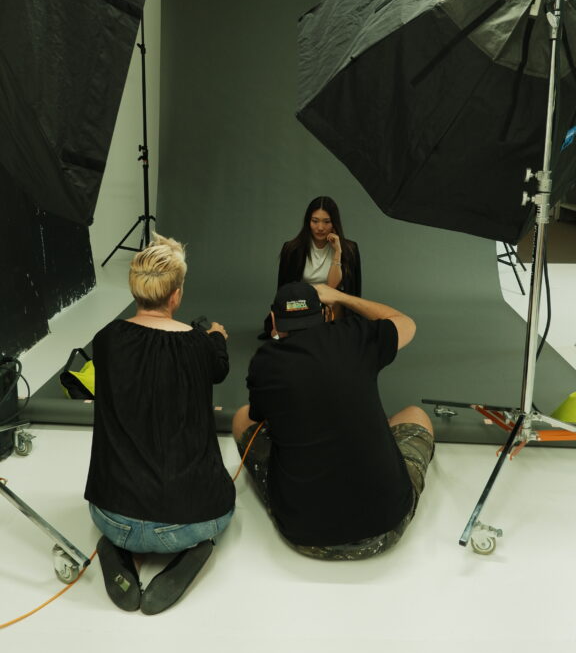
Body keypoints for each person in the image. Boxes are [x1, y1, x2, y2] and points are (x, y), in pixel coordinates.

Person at [84, 233, 235, 614]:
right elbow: (218, 368)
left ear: (136, 289)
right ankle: (190, 554)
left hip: (110, 516)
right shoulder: (200, 346)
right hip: (192, 522)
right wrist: (216, 338)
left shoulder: (105, 340)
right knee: (224, 506)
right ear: (176, 296)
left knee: (125, 524)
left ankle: (120, 550)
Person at [233, 281, 433, 560]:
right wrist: (341, 297)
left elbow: (260, 418)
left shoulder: (264, 362)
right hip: (386, 529)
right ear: (325, 314)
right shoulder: (355, 336)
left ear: (275, 321)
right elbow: (405, 323)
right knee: (415, 414)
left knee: (241, 417)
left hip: (306, 535)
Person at [277, 196, 361, 296]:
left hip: (333, 303)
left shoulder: (350, 249)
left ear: (334, 223)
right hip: (301, 303)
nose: (320, 227)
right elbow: (282, 292)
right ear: (308, 222)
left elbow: (335, 288)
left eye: (327, 222)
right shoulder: (291, 249)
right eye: (315, 221)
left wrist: (338, 252)